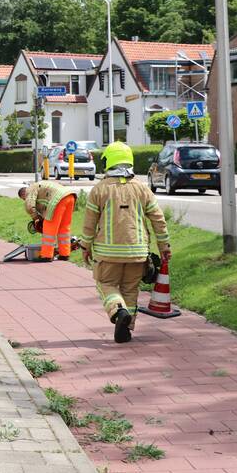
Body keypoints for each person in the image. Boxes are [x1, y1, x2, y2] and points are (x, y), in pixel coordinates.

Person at [80, 141, 170, 343]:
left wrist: (85, 246)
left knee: (106, 284)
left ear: (108, 162)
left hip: (107, 254)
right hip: (137, 253)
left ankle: (118, 311)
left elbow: (89, 224)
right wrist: (164, 247)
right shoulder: (142, 189)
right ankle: (126, 330)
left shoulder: (99, 190)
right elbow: (158, 219)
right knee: (130, 290)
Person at [17, 179, 77, 261]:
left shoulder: (29, 189)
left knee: (48, 228)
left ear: (23, 194)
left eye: (24, 199)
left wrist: (36, 218)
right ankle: (64, 254)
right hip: (70, 196)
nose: (25, 200)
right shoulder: (41, 187)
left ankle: (46, 255)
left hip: (58, 199)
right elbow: (44, 207)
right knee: (63, 228)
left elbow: (29, 206)